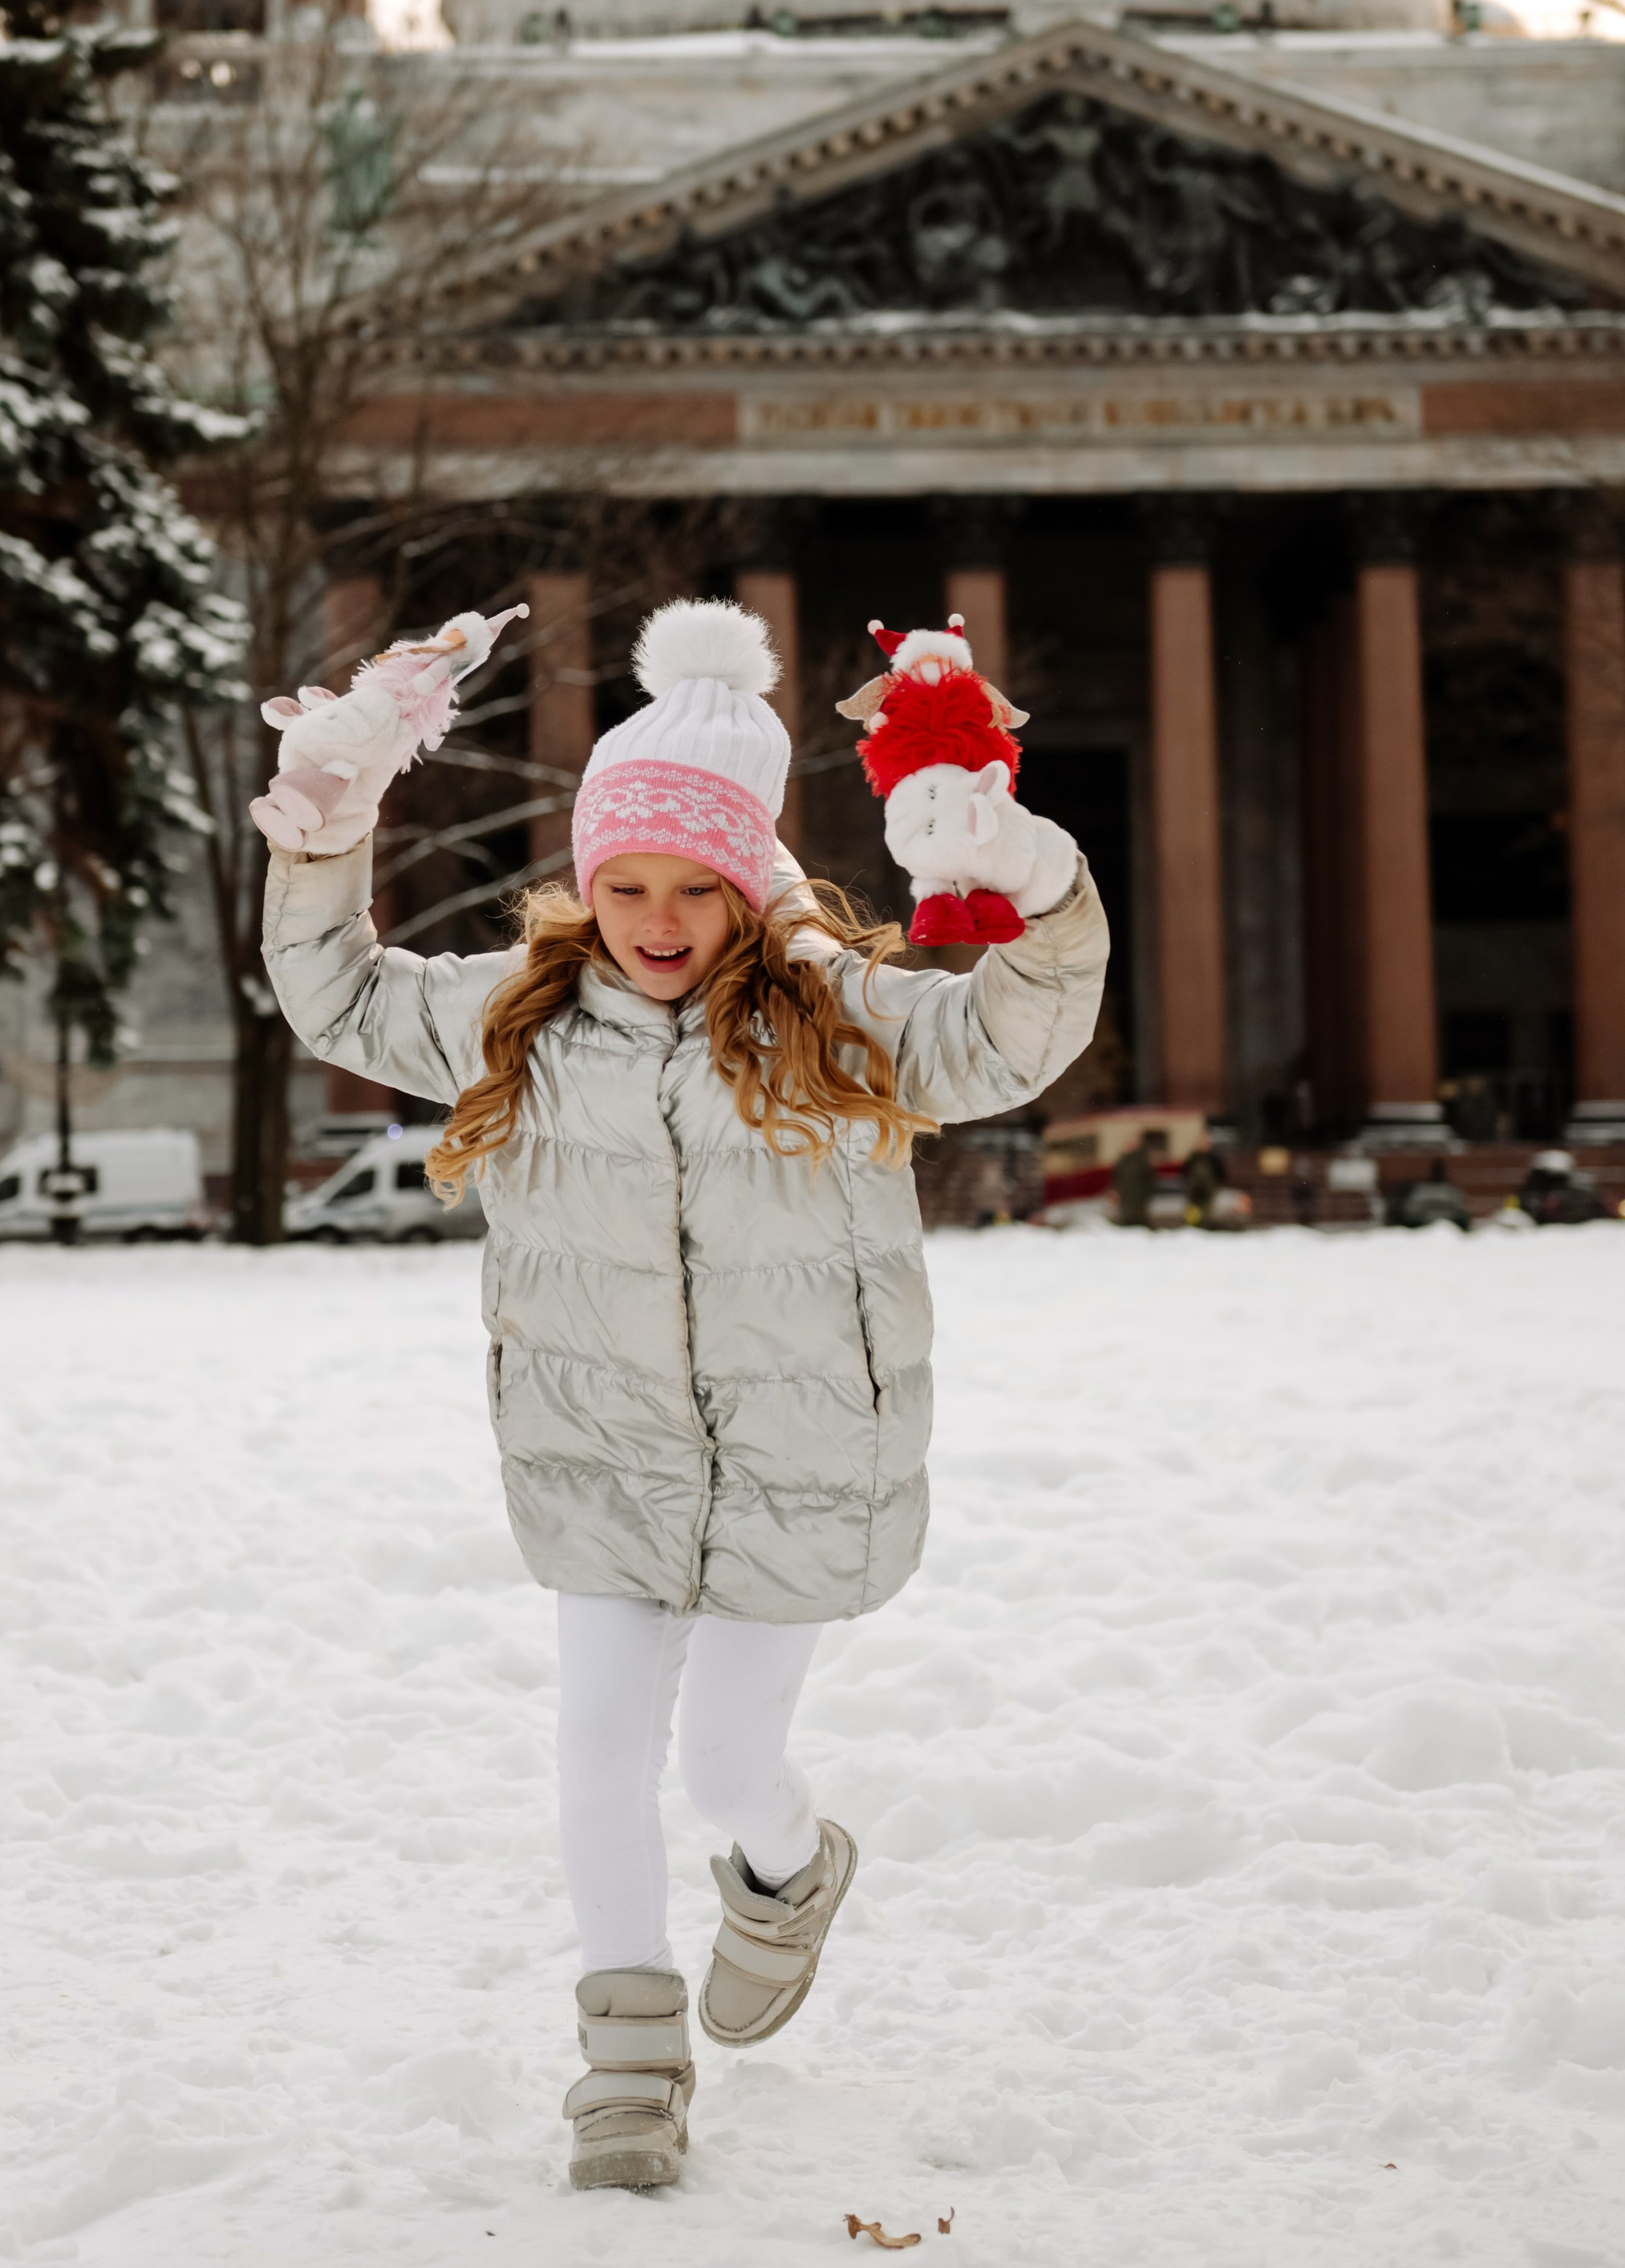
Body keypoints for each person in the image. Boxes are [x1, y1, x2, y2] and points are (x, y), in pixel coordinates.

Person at [253, 598, 1108, 2193]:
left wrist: (1032, 881)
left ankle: (787, 1870)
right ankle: (626, 2067)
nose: (652, 916)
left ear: (749, 882)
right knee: (592, 1751)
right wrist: (324, 830)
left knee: (721, 1768)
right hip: (601, 1460)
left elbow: (1009, 1033)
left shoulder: (836, 1019)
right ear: (587, 885)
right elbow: (343, 999)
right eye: (622, 883)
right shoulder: (520, 1018)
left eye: (689, 885)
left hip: (799, 1462)